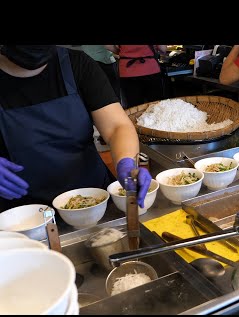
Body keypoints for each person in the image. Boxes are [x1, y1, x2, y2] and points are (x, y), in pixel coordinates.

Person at [0, 45, 151, 212]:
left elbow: (117, 126)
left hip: (93, 201)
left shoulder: (76, 64)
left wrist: (127, 163)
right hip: (22, 216)